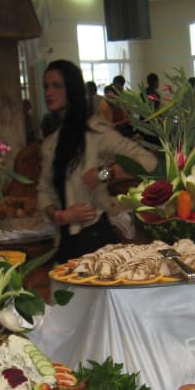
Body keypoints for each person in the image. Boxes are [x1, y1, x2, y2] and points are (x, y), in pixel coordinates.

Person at [37, 59, 157, 262]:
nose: (49, 92)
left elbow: (148, 162)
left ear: (72, 88)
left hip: (96, 240)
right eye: (46, 86)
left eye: (57, 86)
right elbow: (44, 191)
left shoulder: (96, 132)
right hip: (64, 243)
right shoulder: (51, 144)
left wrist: (105, 174)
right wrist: (60, 216)